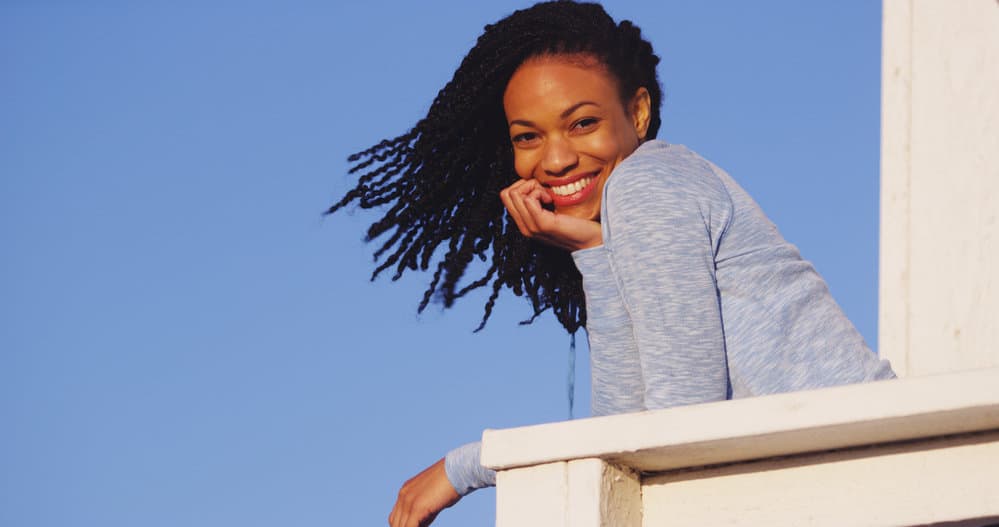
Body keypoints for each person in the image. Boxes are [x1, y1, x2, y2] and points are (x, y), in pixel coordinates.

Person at [327, 2, 896, 526]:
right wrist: (593, 253)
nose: (555, 158)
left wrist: (467, 468)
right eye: (528, 136)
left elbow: (676, 432)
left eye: (582, 123)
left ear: (639, 112)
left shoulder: (647, 184)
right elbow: (631, 430)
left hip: (877, 476)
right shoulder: (641, 200)